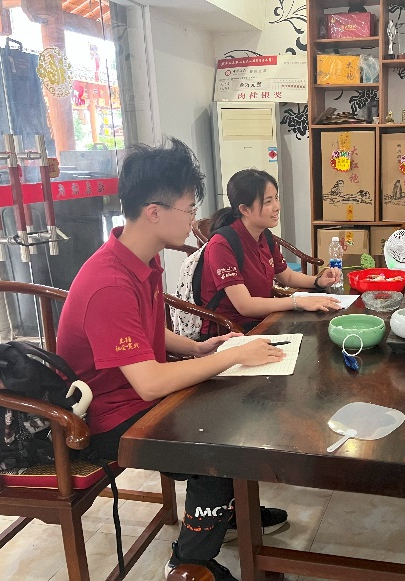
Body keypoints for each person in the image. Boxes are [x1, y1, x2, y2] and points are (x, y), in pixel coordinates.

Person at [56, 138, 289, 581]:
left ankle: (228, 514)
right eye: (188, 208)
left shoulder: (137, 260)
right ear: (154, 212)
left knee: (238, 403)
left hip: (132, 395)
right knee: (215, 446)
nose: (194, 219)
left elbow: (145, 331)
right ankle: (188, 561)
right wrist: (231, 357)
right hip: (105, 419)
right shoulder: (109, 282)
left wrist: (200, 348)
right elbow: (149, 384)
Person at [199, 169, 342, 333]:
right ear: (244, 209)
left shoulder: (265, 236)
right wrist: (297, 302)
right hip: (229, 331)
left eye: (276, 198)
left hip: (264, 319)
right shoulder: (221, 244)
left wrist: (318, 281)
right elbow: (245, 306)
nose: (277, 207)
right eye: (268, 202)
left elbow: (286, 276)